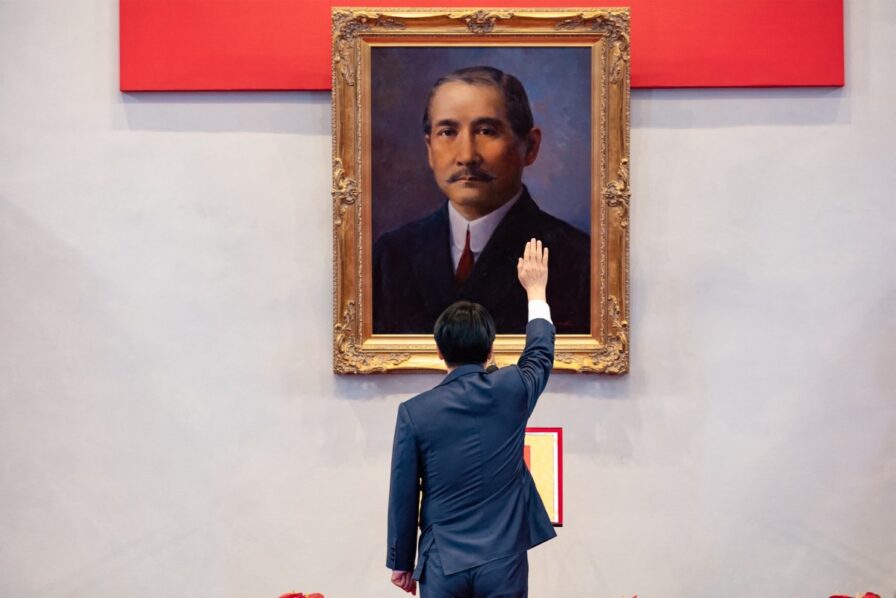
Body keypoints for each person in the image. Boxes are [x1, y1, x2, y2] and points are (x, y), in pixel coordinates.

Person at [386, 238, 557, 597]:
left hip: (443, 562)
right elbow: (540, 353)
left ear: (439, 351)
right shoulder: (512, 388)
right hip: (503, 561)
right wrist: (536, 291)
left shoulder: (415, 413)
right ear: (490, 349)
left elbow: (404, 494)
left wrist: (401, 562)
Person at [373, 65, 590, 335]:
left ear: (530, 147)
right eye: (448, 132)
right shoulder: (390, 256)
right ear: (429, 149)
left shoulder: (579, 260)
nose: (467, 156)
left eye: (486, 131)